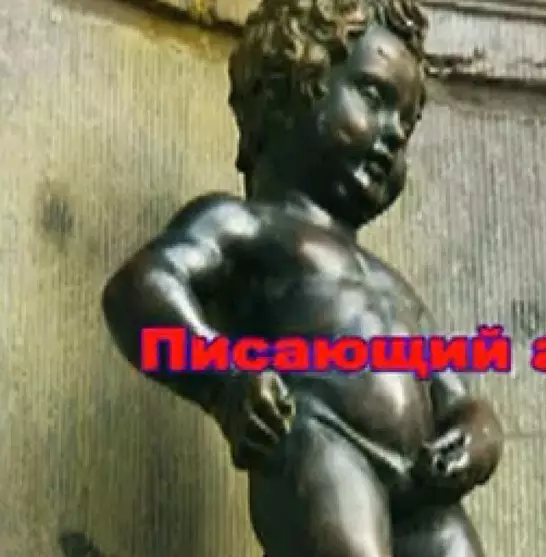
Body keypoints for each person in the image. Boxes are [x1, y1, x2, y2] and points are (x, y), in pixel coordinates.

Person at [100, 0, 503, 554]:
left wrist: (478, 437)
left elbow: (455, 396)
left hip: (420, 486)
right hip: (316, 441)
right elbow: (143, 286)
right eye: (374, 97)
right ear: (288, 89)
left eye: (406, 125)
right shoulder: (247, 226)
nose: (393, 135)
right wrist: (223, 381)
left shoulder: (393, 287)